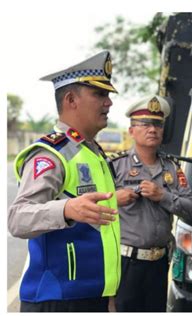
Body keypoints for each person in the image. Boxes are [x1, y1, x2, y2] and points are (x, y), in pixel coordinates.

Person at [8, 51, 121, 312]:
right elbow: (18, 218)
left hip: (94, 297)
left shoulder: (93, 152)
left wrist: (109, 297)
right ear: (71, 99)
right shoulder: (52, 153)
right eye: (100, 95)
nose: (109, 103)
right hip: (58, 299)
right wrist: (67, 209)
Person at [111, 95, 192, 312]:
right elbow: (93, 205)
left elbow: (190, 209)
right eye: (146, 124)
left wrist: (163, 196)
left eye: (158, 124)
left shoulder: (172, 168)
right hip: (124, 263)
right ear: (131, 131)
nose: (153, 129)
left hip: (159, 264)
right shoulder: (115, 166)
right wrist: (115, 198)